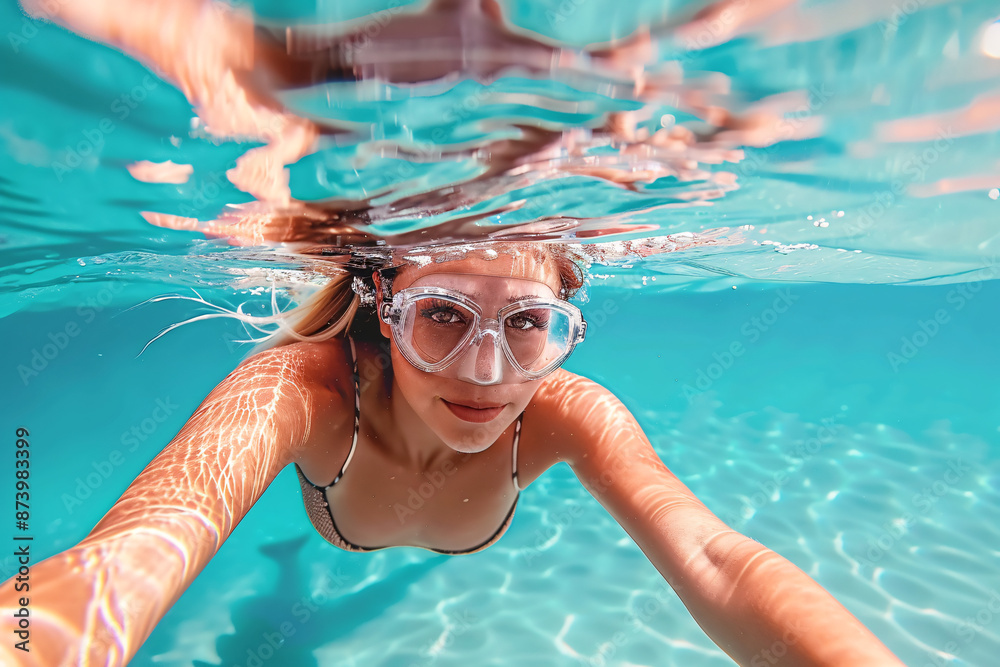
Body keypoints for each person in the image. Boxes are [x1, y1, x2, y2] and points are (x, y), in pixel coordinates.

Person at [2, 241, 904, 666]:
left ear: (564, 330)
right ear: (383, 308)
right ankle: (288, 567)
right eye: (441, 316)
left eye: (526, 325)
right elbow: (132, 553)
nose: (485, 374)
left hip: (396, 527)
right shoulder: (301, 391)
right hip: (338, 524)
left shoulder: (568, 410)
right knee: (281, 608)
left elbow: (714, 556)